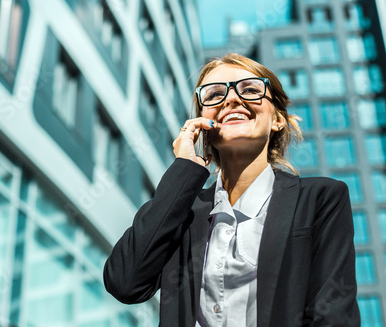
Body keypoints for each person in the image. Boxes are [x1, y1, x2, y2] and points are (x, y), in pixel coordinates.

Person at [103, 53, 360, 326]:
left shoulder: (320, 199)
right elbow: (124, 283)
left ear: (278, 120)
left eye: (250, 89)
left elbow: (332, 316)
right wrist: (183, 169)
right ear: (203, 123)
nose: (232, 99)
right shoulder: (182, 213)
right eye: (214, 94)